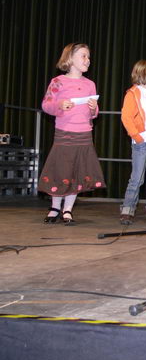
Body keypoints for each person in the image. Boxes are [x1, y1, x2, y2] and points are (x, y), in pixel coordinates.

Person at [39, 43, 105, 224]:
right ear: (70, 58)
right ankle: (54, 207)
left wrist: (94, 109)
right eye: (83, 56)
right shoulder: (58, 81)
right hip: (65, 133)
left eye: (89, 57)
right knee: (61, 170)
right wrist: (59, 106)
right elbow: (46, 105)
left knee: (77, 171)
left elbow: (94, 112)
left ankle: (67, 209)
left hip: (84, 134)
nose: (88, 60)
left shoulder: (90, 84)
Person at [119, 60, 146, 226]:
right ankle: (127, 209)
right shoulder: (133, 93)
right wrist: (136, 136)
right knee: (137, 178)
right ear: (144, 75)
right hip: (142, 143)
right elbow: (126, 117)